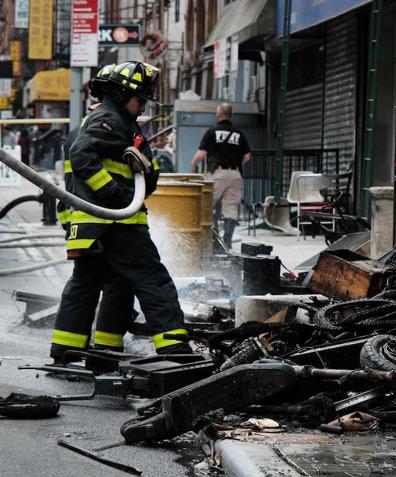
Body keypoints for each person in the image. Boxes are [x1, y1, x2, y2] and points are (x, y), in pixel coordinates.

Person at [50, 61, 190, 364]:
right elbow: (82, 157)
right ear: (122, 93)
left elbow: (139, 179)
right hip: (116, 222)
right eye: (140, 100)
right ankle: (175, 350)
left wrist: (143, 169)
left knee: (94, 281)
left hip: (91, 224)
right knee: (152, 279)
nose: (141, 107)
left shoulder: (95, 122)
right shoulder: (110, 119)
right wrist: (115, 196)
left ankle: (72, 349)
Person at [190, 103, 251, 247]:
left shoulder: (212, 131)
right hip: (235, 174)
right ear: (230, 115)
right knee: (231, 208)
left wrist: (193, 165)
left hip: (217, 173)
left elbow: (201, 154)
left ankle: (214, 240)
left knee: (207, 204)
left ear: (218, 115)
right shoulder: (238, 133)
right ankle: (227, 241)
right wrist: (236, 164)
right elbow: (247, 156)